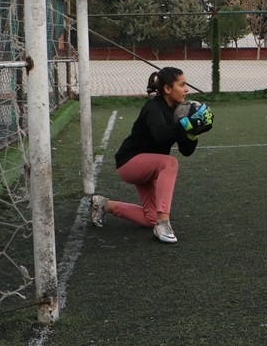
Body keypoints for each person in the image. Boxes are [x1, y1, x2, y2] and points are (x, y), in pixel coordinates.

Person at [89, 66, 213, 243]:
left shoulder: (177, 111)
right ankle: (163, 223)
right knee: (170, 163)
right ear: (167, 89)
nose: (186, 89)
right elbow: (161, 135)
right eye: (182, 84)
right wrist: (186, 124)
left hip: (149, 167)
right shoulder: (153, 107)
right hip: (129, 163)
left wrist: (194, 132)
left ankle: (103, 205)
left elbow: (186, 150)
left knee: (149, 218)